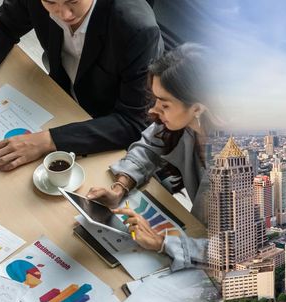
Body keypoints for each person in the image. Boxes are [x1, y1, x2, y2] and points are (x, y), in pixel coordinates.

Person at [0, 0, 163, 172]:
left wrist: (47, 141)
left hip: (102, 126)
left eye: (73, 2)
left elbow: (134, 122)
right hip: (59, 99)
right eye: (50, 3)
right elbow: (3, 25)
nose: (64, 14)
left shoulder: (138, 29)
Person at [86, 44, 210, 271]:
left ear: (197, 108)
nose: (155, 110)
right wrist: (120, 187)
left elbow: (245, 250)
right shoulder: (186, 124)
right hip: (198, 231)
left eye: (164, 104)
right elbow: (149, 147)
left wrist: (161, 242)